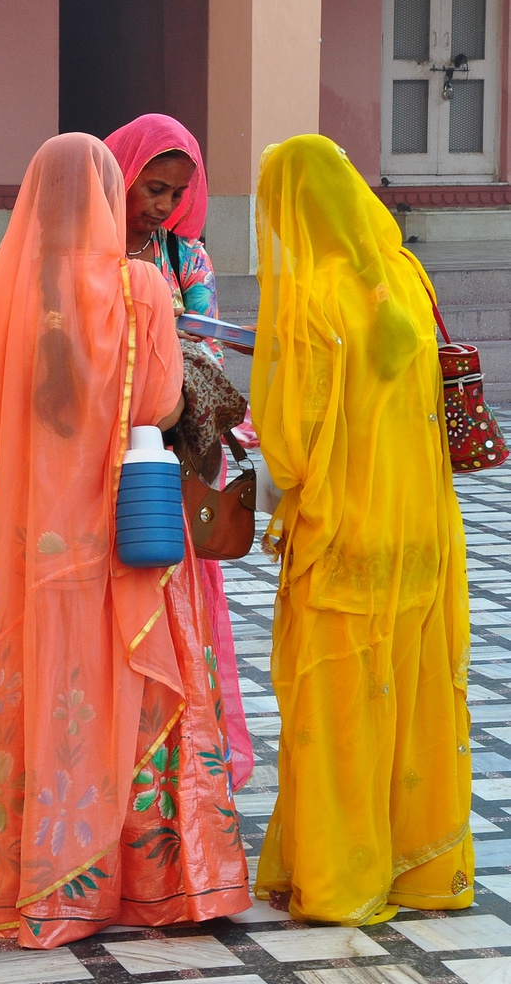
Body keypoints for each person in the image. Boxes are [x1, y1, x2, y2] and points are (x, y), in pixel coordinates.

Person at [0, 133, 250, 949]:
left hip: (35, 534)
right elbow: (157, 406)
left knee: (49, 689)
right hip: (125, 524)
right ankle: (149, 879)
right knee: (139, 686)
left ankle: (41, 879)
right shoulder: (142, 285)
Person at [250, 134, 473, 924]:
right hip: (419, 537)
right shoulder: (404, 277)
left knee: (338, 713)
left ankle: (343, 880)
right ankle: (417, 869)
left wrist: (276, 477)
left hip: (344, 539)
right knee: (409, 703)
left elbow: (298, 439)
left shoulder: (312, 295)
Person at [104, 113, 254, 791]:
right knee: (109, 603)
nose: (162, 205)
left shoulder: (184, 258)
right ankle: (107, 755)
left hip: (166, 455)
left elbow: (209, 356)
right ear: (119, 174)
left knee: (168, 596)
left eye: (175, 193)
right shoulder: (85, 246)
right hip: (99, 457)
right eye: (152, 187)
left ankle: (171, 768)